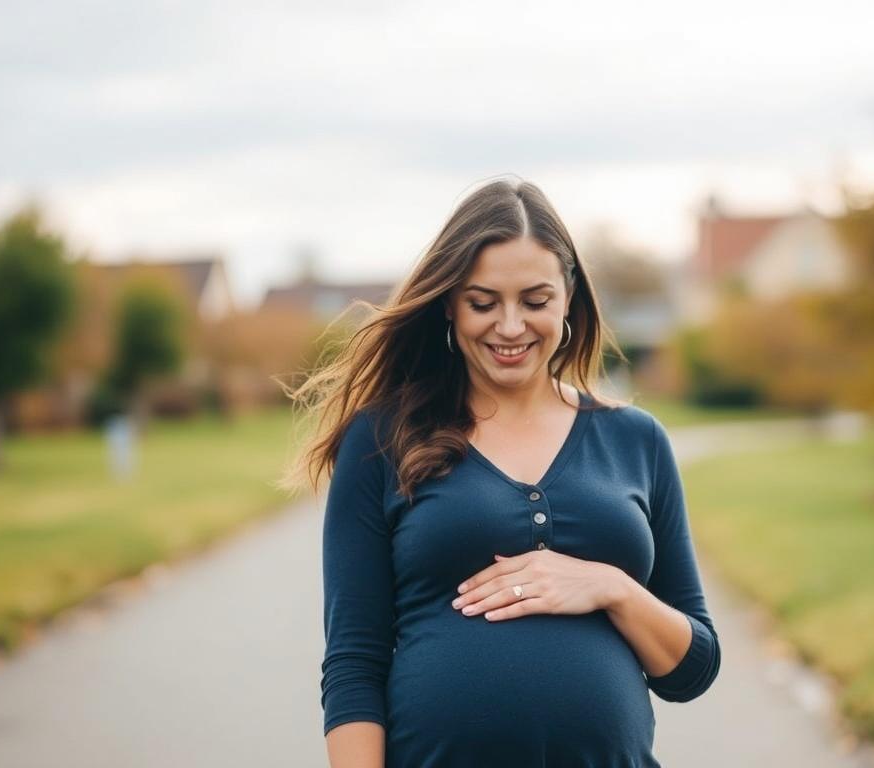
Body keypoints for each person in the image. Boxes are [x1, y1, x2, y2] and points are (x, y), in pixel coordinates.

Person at [282, 176, 721, 768]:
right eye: (483, 302)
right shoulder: (383, 437)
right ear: (449, 305)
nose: (510, 326)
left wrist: (612, 587)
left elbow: (690, 670)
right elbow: (355, 661)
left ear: (569, 298)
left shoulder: (636, 439)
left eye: (534, 301)